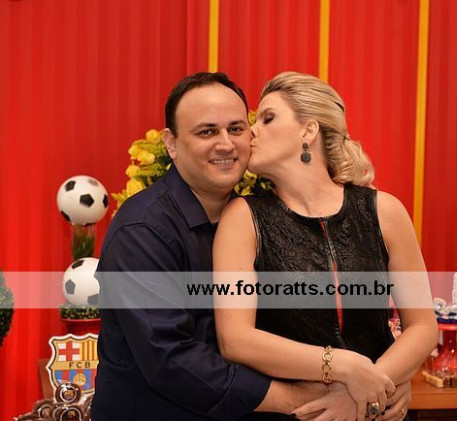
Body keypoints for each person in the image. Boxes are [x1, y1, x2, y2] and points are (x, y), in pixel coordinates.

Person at [93, 72, 331, 421]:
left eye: (236, 129)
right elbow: (169, 358)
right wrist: (294, 398)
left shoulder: (259, 215)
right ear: (172, 144)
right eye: (207, 132)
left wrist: (376, 381)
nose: (226, 144)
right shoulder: (143, 229)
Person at [213, 72, 438, 421]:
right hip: (296, 413)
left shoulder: (385, 211)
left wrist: (365, 391)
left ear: (309, 131)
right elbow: (236, 339)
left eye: (268, 118)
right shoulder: (242, 217)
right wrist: (341, 367)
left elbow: (423, 326)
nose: (251, 132)